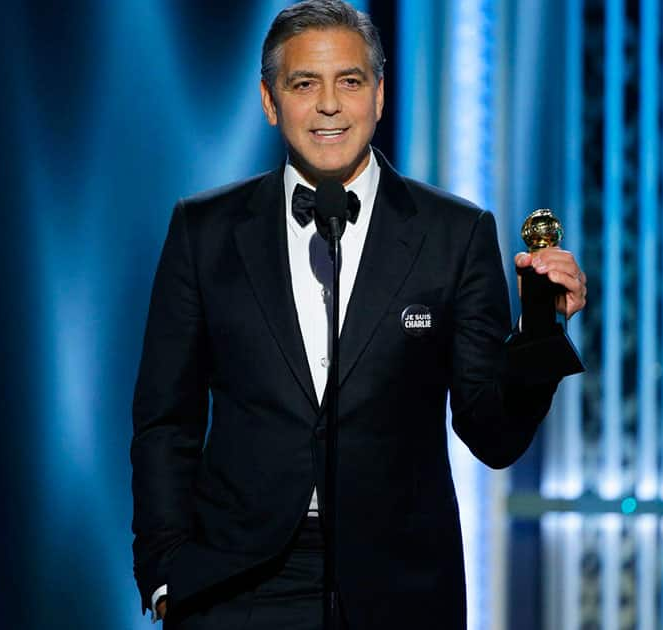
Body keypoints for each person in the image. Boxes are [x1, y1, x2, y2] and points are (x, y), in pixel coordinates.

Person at [131, 1, 587, 628]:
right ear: (269, 101)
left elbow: (492, 433)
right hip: (236, 582)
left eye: (349, 81)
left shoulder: (454, 234)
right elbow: (164, 420)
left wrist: (539, 332)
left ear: (378, 95)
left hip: (397, 585)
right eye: (303, 84)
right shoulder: (203, 232)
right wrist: (163, 572)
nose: (328, 105)